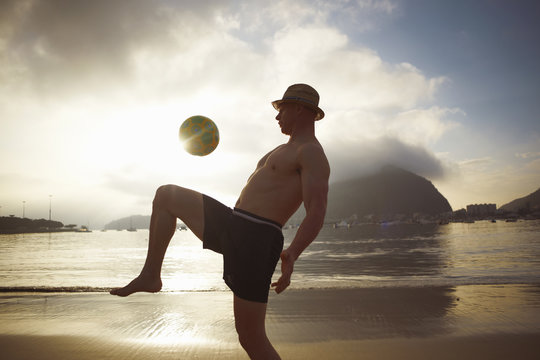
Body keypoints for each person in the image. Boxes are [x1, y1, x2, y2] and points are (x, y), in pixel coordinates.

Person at [110, 83, 330, 359]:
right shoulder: (283, 149)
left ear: (299, 108)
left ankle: (151, 276)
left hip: (257, 240)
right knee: (166, 195)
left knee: (251, 337)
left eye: (281, 109)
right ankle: (151, 275)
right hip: (235, 223)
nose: (277, 117)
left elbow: (317, 211)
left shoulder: (310, 152)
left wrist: (293, 254)